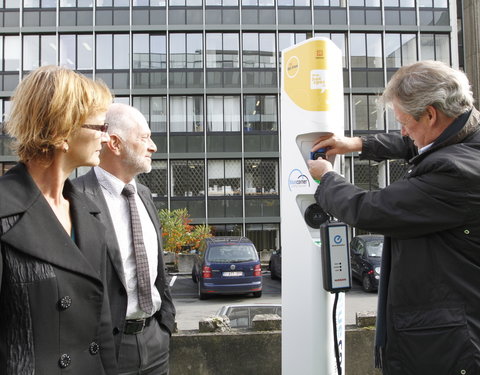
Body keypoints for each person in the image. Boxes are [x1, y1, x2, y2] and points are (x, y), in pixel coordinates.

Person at [308, 60, 480, 375]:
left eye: (404, 121)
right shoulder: (468, 133)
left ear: (430, 114)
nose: (402, 130)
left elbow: (369, 210)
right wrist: (358, 144)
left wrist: (326, 179)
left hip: (448, 345)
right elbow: (417, 141)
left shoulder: (457, 173)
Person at [0, 66, 117, 374]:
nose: (107, 138)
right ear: (62, 131)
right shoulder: (4, 214)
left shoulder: (90, 216)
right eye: (101, 127)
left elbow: (101, 329)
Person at [73, 103, 176, 375]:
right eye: (144, 138)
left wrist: (165, 324)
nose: (153, 146)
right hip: (106, 350)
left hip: (156, 341)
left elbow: (158, 270)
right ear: (115, 144)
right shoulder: (74, 197)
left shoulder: (143, 194)